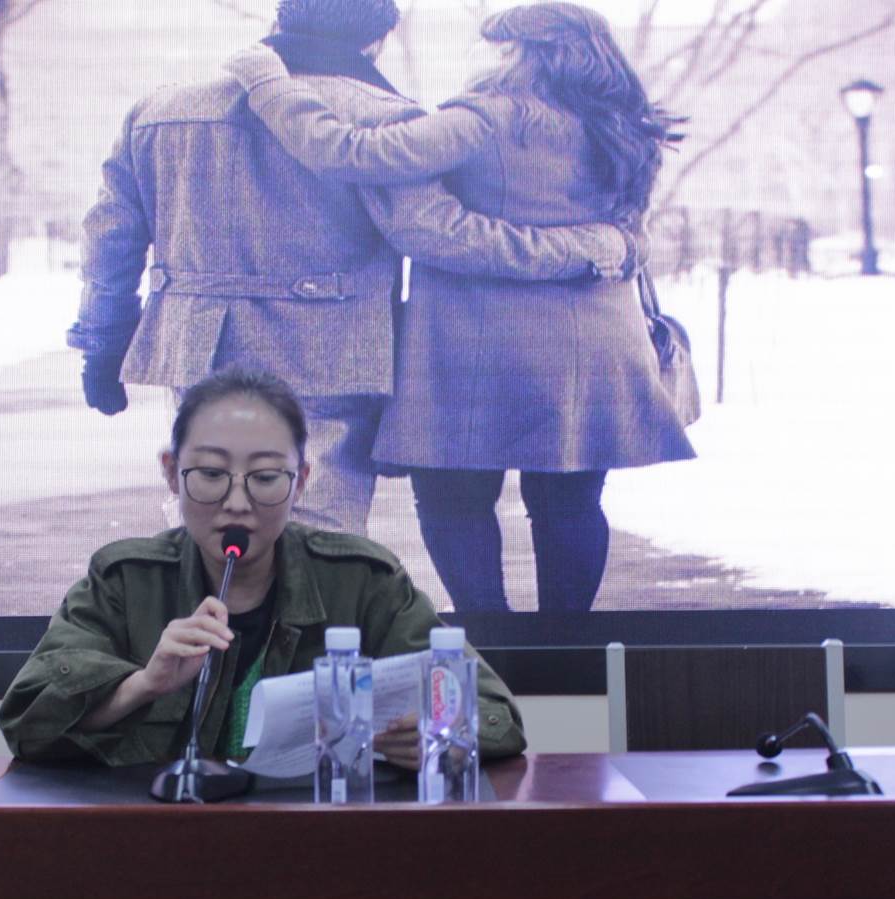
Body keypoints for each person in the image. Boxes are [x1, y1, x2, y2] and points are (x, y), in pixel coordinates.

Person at [68, 0, 636, 538]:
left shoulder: (162, 111)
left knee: (211, 520)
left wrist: (103, 342)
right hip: (330, 356)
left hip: (198, 352)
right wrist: (583, 247)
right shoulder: (382, 116)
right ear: (376, 39)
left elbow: (111, 237)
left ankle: (216, 611)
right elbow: (438, 236)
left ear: (283, 18)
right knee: (317, 534)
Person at [226, 3, 696, 612]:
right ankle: (566, 645)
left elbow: (349, 152)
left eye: (504, 49)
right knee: (570, 503)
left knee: (453, 500)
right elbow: (628, 235)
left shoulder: (485, 119)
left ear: (529, 55)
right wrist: (595, 248)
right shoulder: (624, 128)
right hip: (594, 345)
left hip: (478, 346)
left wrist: (270, 85)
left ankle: (490, 634)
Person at [0, 369, 527, 769]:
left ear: (302, 481)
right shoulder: (123, 580)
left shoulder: (362, 581)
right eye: (210, 474)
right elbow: (27, 723)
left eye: (266, 478)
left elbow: (494, 714)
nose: (236, 503)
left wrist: (442, 736)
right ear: (172, 472)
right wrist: (143, 684)